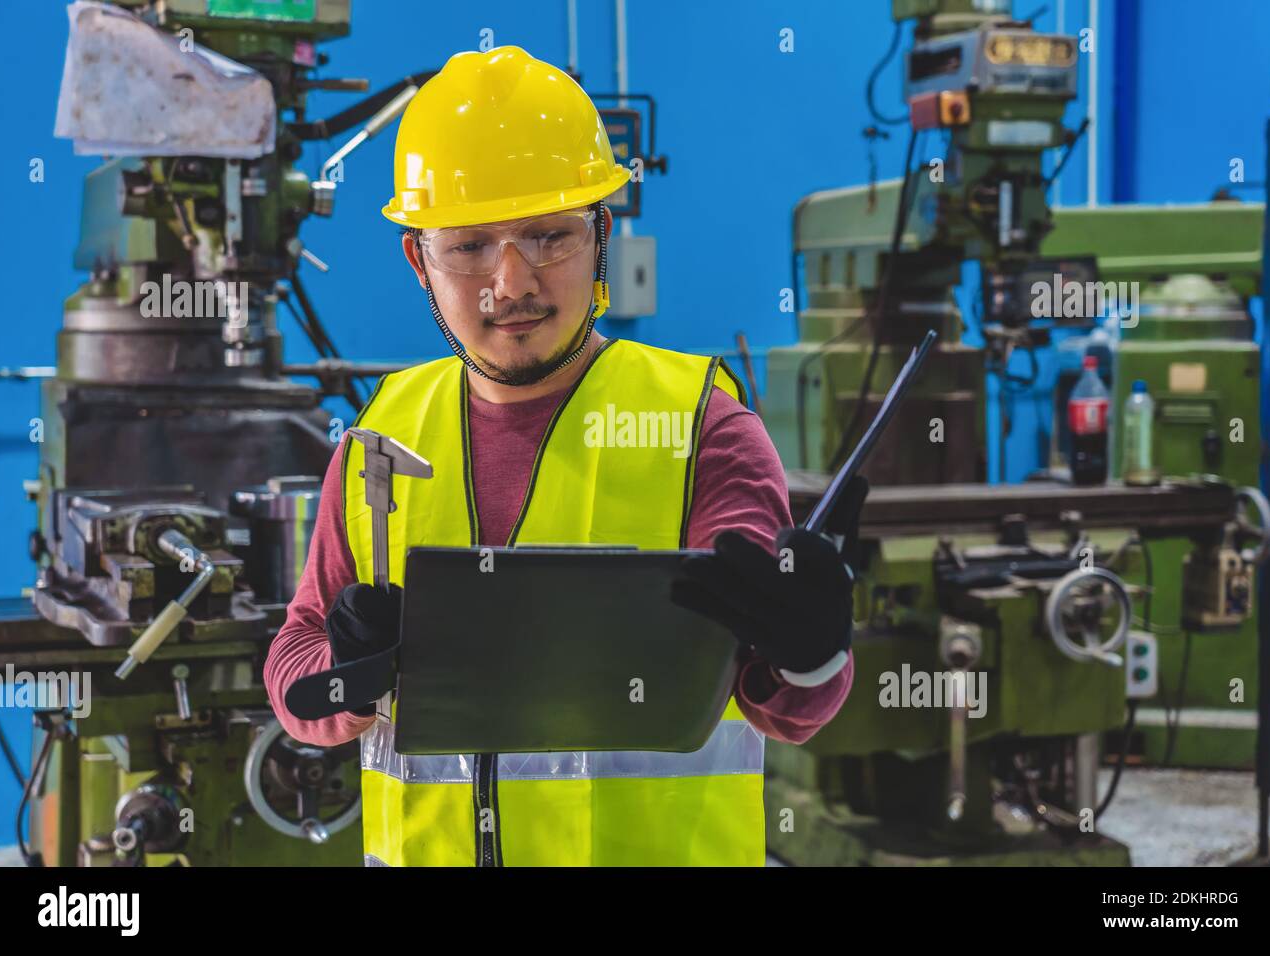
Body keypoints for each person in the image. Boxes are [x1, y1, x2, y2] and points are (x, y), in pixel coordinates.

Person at [264, 45, 863, 866]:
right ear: (419, 259)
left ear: (600, 237)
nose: (511, 284)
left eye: (548, 236)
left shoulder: (703, 430)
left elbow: (784, 703)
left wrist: (812, 650)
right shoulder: (381, 436)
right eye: (470, 246)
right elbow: (295, 672)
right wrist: (346, 673)